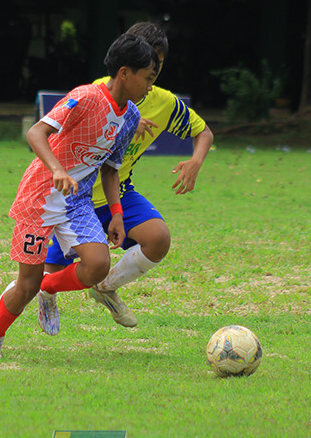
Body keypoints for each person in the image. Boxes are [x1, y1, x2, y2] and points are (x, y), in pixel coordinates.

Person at [0, 33, 160, 359]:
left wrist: (116, 213)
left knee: (98, 265)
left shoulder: (130, 118)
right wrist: (57, 169)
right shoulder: (85, 97)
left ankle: (49, 286)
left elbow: (111, 169)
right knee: (25, 284)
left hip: (76, 202)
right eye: (148, 78)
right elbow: (36, 132)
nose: (151, 87)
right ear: (125, 73)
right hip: (41, 195)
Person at [40, 22, 214, 331]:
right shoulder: (98, 92)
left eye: (156, 68)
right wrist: (122, 123)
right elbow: (57, 136)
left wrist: (195, 162)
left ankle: (105, 287)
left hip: (116, 193)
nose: (151, 75)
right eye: (146, 66)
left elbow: (203, 132)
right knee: (40, 276)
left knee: (158, 239)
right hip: (75, 198)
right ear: (125, 68)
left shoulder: (164, 102)